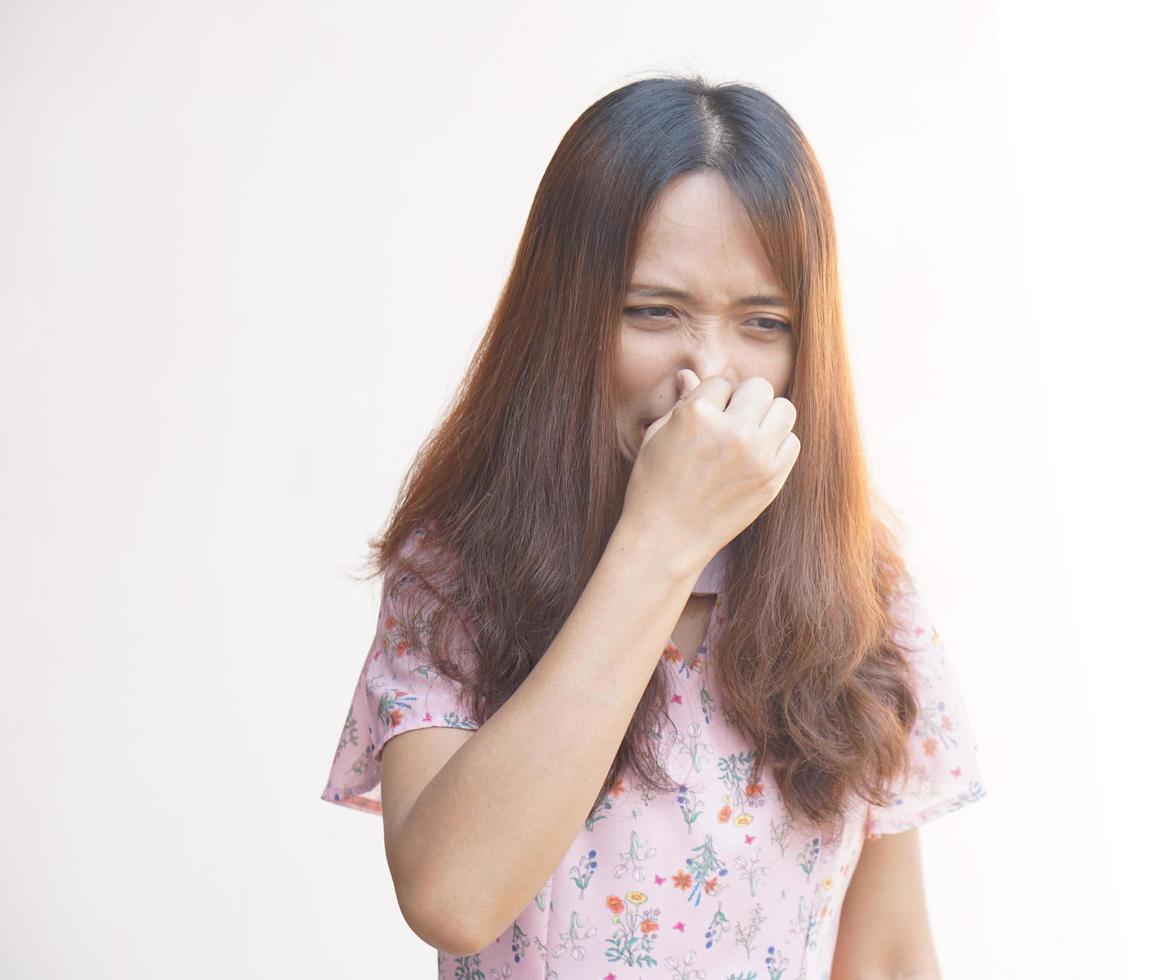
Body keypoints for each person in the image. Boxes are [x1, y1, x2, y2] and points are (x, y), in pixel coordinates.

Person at [320, 72, 988, 979]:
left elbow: (887, 955)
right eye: (652, 312)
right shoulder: (458, 574)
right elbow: (452, 895)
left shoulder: (858, 590)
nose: (705, 371)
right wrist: (663, 537)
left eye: (763, 322)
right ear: (566, 320)